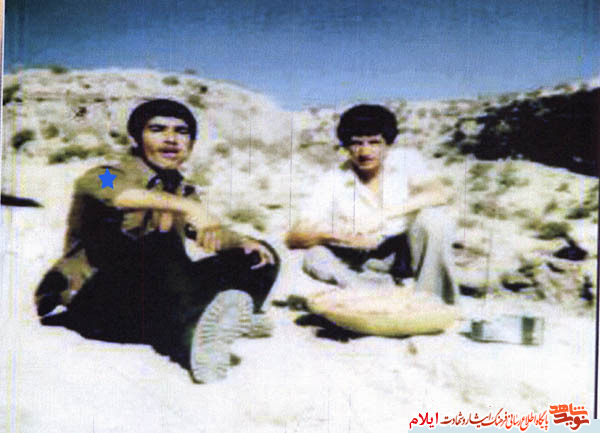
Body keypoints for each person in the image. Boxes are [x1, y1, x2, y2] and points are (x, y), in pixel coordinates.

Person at [35, 99, 280, 383]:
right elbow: (121, 196)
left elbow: (206, 232)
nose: (171, 139)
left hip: (154, 297)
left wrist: (240, 242)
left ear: (191, 144)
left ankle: (229, 318)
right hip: (95, 301)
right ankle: (191, 338)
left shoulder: (182, 190)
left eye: (181, 132)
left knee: (259, 255)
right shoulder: (105, 175)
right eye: (158, 129)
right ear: (137, 139)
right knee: (157, 247)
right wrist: (189, 207)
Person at [286, 104, 457, 304]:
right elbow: (294, 236)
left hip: (403, 251)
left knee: (434, 220)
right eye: (356, 143)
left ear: (388, 144)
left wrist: (382, 215)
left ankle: (431, 300)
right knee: (314, 256)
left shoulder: (406, 160)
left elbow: (438, 193)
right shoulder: (332, 179)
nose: (365, 151)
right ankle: (373, 293)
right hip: (359, 258)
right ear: (345, 146)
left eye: (374, 142)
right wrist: (340, 236)